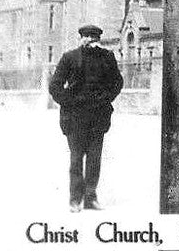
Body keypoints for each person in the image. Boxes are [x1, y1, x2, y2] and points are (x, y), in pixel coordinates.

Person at [48, 24, 124, 212]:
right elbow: (55, 85)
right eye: (86, 37)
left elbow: (117, 82)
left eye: (94, 37)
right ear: (81, 38)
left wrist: (106, 99)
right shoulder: (70, 57)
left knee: (94, 158)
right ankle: (75, 200)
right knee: (76, 159)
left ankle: (91, 198)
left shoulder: (107, 57)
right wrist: (69, 102)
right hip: (75, 117)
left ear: (99, 40)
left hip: (98, 116)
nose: (90, 40)